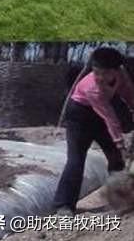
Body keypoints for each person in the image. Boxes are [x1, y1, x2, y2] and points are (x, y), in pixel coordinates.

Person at [53, 47, 134, 216]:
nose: (100, 78)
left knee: (116, 159)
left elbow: (129, 94)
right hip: (79, 116)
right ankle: (64, 205)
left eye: (105, 73)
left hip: (101, 116)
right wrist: (120, 141)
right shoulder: (92, 88)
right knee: (76, 160)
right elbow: (109, 116)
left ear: (116, 71)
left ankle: (122, 198)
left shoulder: (122, 75)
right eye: (97, 72)